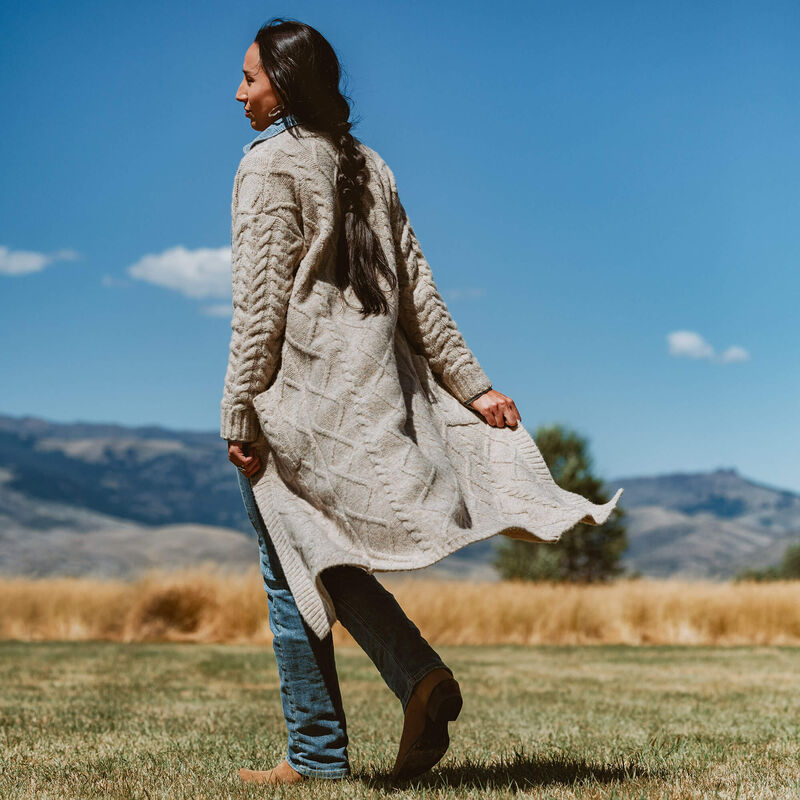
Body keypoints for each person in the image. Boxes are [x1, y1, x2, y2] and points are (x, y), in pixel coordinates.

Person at [222, 15, 622, 787]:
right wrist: (473, 385)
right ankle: (411, 683)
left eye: (250, 78)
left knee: (288, 569)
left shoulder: (267, 168)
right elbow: (421, 295)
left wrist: (239, 412)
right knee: (323, 558)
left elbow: (259, 306)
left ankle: (321, 748)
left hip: (297, 400)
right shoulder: (371, 165)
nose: (238, 93)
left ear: (287, 87)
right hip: (372, 396)